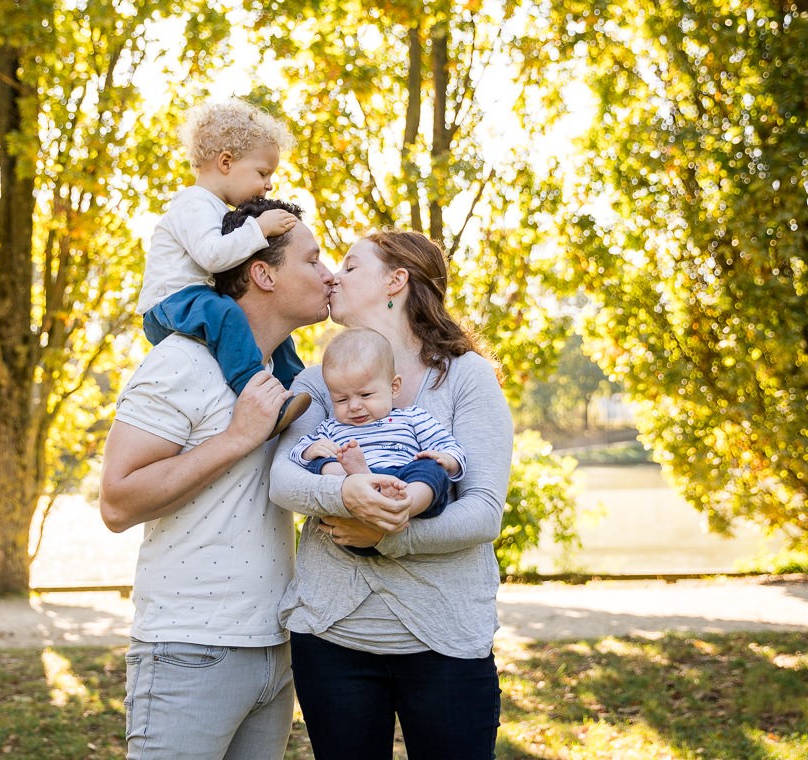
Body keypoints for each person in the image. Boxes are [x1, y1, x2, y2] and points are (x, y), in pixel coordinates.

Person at [99, 197, 335, 760]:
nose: (329, 275)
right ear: (262, 272)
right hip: (189, 650)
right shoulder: (184, 361)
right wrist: (234, 438)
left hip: (274, 650)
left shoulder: (289, 378)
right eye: (313, 260)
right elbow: (116, 501)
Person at [270, 229, 514, 760]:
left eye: (351, 267)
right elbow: (284, 480)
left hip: (445, 639)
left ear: (396, 282)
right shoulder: (320, 382)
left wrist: (385, 536)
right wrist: (348, 494)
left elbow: (482, 513)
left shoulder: (466, 378)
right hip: (332, 636)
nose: (332, 276)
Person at [137, 98, 311, 436]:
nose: (269, 184)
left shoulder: (213, 207)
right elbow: (212, 256)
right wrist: (259, 229)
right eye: (263, 173)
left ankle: (296, 389)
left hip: (197, 301)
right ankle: (257, 393)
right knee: (228, 315)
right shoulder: (194, 203)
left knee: (274, 334)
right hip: (169, 303)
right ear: (226, 162)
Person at [288, 326, 467, 556]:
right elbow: (296, 453)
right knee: (321, 463)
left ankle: (401, 506)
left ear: (394, 387)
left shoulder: (411, 418)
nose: (354, 406)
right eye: (341, 399)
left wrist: (447, 459)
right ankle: (364, 479)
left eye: (365, 395)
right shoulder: (333, 427)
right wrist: (310, 449)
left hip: (402, 480)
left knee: (432, 469)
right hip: (356, 505)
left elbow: (453, 448)